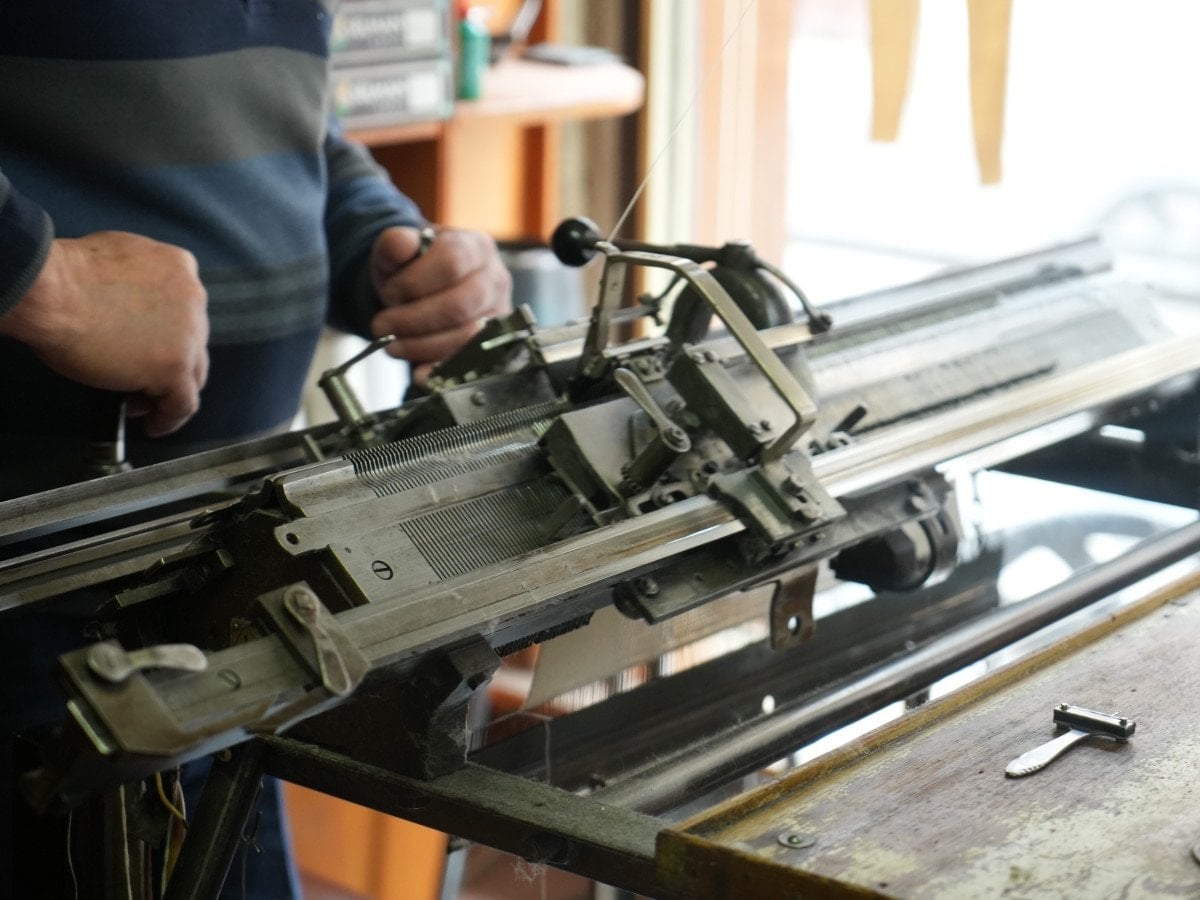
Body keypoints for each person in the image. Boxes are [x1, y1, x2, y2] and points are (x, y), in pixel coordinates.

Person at [0, 2, 512, 896]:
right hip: (32, 603)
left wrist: (377, 243)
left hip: (213, 593)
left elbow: (285, 120)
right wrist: (44, 281)